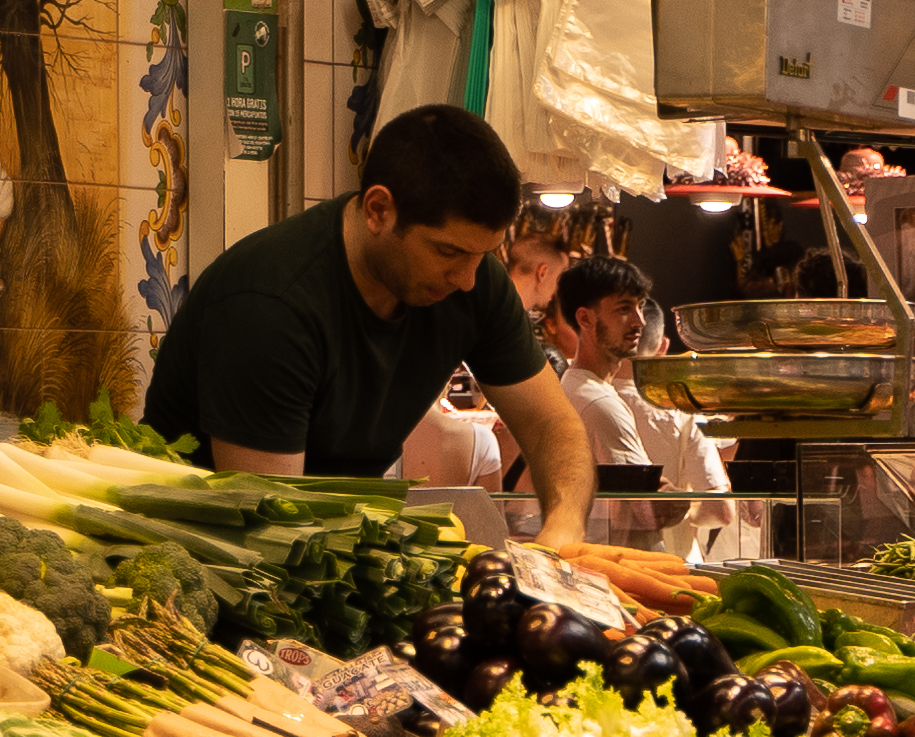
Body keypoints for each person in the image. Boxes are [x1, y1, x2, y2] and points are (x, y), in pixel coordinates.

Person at [145, 104, 590, 537]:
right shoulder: (271, 305)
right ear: (378, 210)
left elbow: (552, 425)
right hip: (212, 561)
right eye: (448, 252)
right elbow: (274, 530)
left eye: (484, 254)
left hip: (325, 540)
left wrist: (564, 531)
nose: (468, 279)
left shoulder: (474, 282)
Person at [541, 254, 728, 492]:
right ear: (585, 318)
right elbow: (649, 510)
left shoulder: (580, 389)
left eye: (639, 306)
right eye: (624, 308)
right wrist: (683, 501)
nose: (639, 321)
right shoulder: (599, 402)